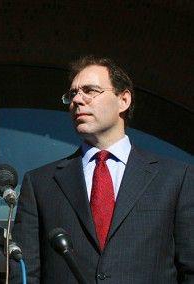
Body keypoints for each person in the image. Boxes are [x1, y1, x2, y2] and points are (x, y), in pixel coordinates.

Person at [11, 56, 193, 283]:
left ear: (123, 100)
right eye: (72, 94)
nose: (77, 99)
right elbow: (25, 272)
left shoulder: (176, 178)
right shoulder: (40, 183)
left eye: (90, 90)